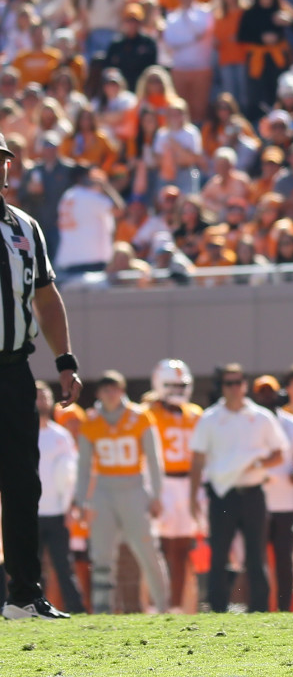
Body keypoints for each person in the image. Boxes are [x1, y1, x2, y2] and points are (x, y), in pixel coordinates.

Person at [0, 131, 82, 620]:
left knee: (22, 482)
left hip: (13, 369)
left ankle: (23, 595)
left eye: (1, 160)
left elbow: (46, 298)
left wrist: (65, 360)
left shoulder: (25, 227)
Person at [189, 363, 287, 613]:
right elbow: (198, 458)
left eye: (238, 382)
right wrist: (192, 497)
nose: (234, 388)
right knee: (219, 554)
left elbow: (280, 453)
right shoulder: (210, 418)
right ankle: (217, 610)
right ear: (221, 387)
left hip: (252, 493)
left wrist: (259, 463)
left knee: (257, 556)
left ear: (245, 385)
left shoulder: (261, 417)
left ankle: (260, 611)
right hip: (222, 495)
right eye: (228, 383)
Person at [72, 370, 171, 614]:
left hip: (133, 487)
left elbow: (154, 459)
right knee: (101, 553)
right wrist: (81, 500)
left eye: (114, 388)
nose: (110, 394)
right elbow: (84, 466)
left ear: (122, 391)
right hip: (104, 489)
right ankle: (102, 609)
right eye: (106, 389)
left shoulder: (140, 417)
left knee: (147, 549)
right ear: (98, 393)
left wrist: (156, 494)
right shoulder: (91, 421)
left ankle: (163, 606)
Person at [147, 358, 204, 613]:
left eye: (182, 385)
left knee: (182, 548)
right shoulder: (149, 413)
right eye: (172, 385)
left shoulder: (196, 413)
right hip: (162, 480)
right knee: (158, 547)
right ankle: (153, 604)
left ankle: (177, 607)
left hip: (189, 483)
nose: (178, 390)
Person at [252, 375, 293, 614]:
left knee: (285, 558)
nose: (267, 397)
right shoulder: (249, 423)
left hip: (287, 500)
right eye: (262, 392)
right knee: (257, 558)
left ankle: (284, 608)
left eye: (271, 392)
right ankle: (259, 607)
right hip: (258, 498)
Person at [34, 380, 85, 614]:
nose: (40, 400)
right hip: (29, 514)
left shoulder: (61, 436)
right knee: (30, 568)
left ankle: (77, 611)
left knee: (63, 566)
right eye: (36, 396)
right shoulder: (18, 435)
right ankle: (32, 609)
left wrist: (70, 508)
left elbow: (71, 475)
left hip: (57, 513)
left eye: (44, 395)